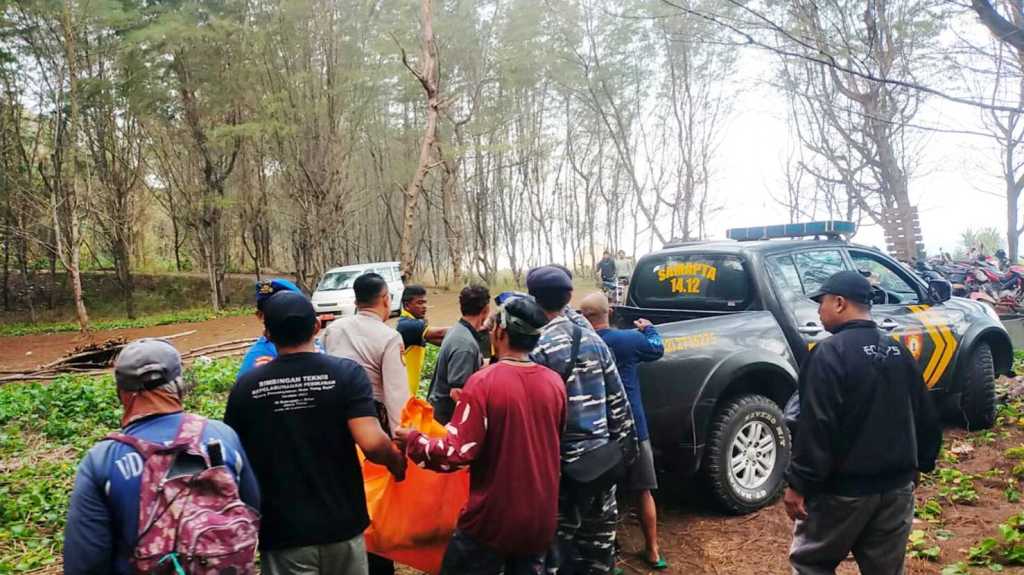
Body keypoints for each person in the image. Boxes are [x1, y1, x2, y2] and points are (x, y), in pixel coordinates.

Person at [226, 291, 406, 575]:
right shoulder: (346, 375)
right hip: (342, 523)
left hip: (284, 531)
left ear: (267, 333)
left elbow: (236, 459)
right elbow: (372, 443)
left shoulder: (247, 386)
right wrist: (396, 462)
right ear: (316, 327)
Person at [784, 271, 942, 575]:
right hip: (896, 489)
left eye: (822, 302)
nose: (819, 311)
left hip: (843, 492)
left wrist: (799, 484)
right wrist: (920, 464)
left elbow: (816, 425)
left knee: (811, 565)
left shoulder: (829, 353)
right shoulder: (897, 351)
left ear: (839, 303)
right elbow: (926, 414)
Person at [395, 296, 566, 575]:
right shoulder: (554, 382)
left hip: (492, 519)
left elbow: (456, 454)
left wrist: (414, 440)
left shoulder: (484, 382)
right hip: (542, 517)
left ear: (500, 331)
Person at [64, 339, 260, 575]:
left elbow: (84, 563)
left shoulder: (102, 461)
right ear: (179, 385)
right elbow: (251, 509)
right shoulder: (223, 436)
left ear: (121, 393)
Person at [527, 265, 637, 575]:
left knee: (552, 557)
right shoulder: (593, 341)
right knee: (598, 555)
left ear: (533, 298)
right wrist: (624, 457)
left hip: (558, 473)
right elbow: (619, 404)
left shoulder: (535, 346)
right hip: (599, 467)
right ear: (569, 296)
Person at [578, 293, 666, 571]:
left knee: (603, 497)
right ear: (611, 313)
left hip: (599, 430)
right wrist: (648, 328)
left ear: (583, 317)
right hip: (634, 426)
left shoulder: (581, 344)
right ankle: (653, 551)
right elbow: (657, 348)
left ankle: (610, 559)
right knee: (643, 490)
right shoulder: (628, 340)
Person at [322, 272, 409, 435]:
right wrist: (401, 436)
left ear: (356, 302)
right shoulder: (390, 337)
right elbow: (396, 394)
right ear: (386, 299)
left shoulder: (333, 329)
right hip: (372, 421)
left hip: (336, 416)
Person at [427, 285, 491, 425]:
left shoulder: (458, 330)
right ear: (486, 309)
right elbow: (457, 393)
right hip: (447, 421)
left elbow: (476, 365)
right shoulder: (465, 345)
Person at [238, 278, 310, 377]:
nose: (283, 315)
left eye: (288, 307)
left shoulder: (313, 342)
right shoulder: (259, 357)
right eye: (273, 310)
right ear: (261, 316)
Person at [396, 285, 448, 396]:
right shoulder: (407, 325)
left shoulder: (414, 325)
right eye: (419, 303)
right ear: (407, 305)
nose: (424, 307)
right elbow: (440, 333)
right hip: (404, 394)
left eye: (425, 303)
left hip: (409, 393)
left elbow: (441, 341)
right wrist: (468, 327)